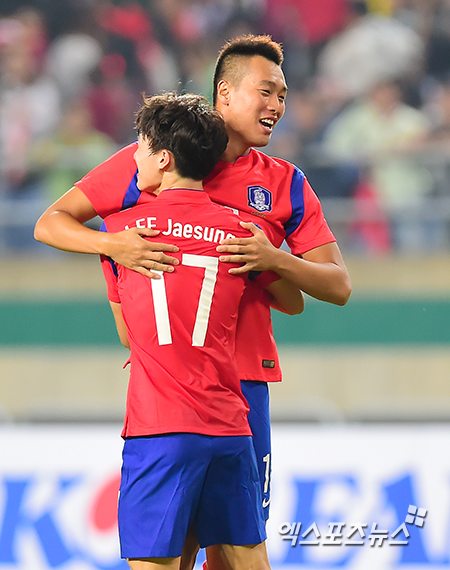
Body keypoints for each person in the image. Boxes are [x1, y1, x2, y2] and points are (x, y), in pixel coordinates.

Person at [34, 34, 351, 532]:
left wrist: (274, 259)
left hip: (245, 382)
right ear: (224, 92)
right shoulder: (156, 155)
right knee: (175, 549)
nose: (277, 106)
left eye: (283, 96)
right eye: (265, 92)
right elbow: (51, 222)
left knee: (235, 547)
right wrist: (112, 246)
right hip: (170, 382)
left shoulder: (285, 182)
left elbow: (336, 286)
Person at [100, 91, 303, 570]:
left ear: (164, 159)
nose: (135, 158)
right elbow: (292, 301)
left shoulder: (121, 234)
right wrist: (265, 260)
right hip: (230, 425)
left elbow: (129, 337)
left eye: (142, 148)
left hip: (160, 428)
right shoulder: (240, 231)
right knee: (248, 561)